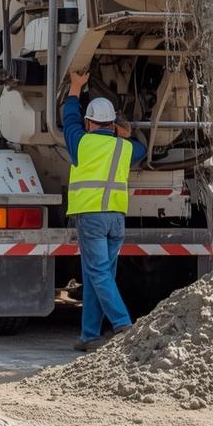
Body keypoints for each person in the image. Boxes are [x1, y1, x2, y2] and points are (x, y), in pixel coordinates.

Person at [63, 68, 146, 352]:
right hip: (116, 219)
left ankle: (123, 324)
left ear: (89, 123)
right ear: (112, 125)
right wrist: (126, 134)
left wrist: (76, 87)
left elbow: (68, 118)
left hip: (92, 217)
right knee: (97, 275)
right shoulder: (125, 148)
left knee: (97, 274)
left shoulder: (81, 142)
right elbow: (141, 151)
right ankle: (89, 336)